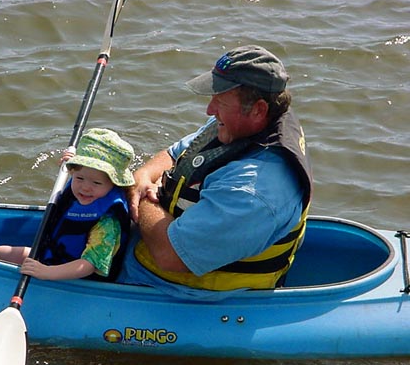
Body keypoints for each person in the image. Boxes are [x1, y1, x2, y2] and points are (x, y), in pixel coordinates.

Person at [119, 45, 313, 296]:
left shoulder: (253, 192)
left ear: (259, 109)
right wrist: (142, 177)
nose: (209, 110)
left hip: (180, 295)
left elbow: (170, 256)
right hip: (146, 256)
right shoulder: (239, 125)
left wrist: (145, 198)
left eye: (219, 101)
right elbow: (174, 154)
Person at [0, 128, 135, 282]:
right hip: (55, 255)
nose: (85, 187)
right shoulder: (85, 184)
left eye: (96, 182)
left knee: (20, 256)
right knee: (4, 252)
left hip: (76, 276)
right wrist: (70, 160)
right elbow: (77, 170)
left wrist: (46, 272)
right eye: (79, 178)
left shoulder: (107, 223)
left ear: (114, 184)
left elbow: (90, 265)